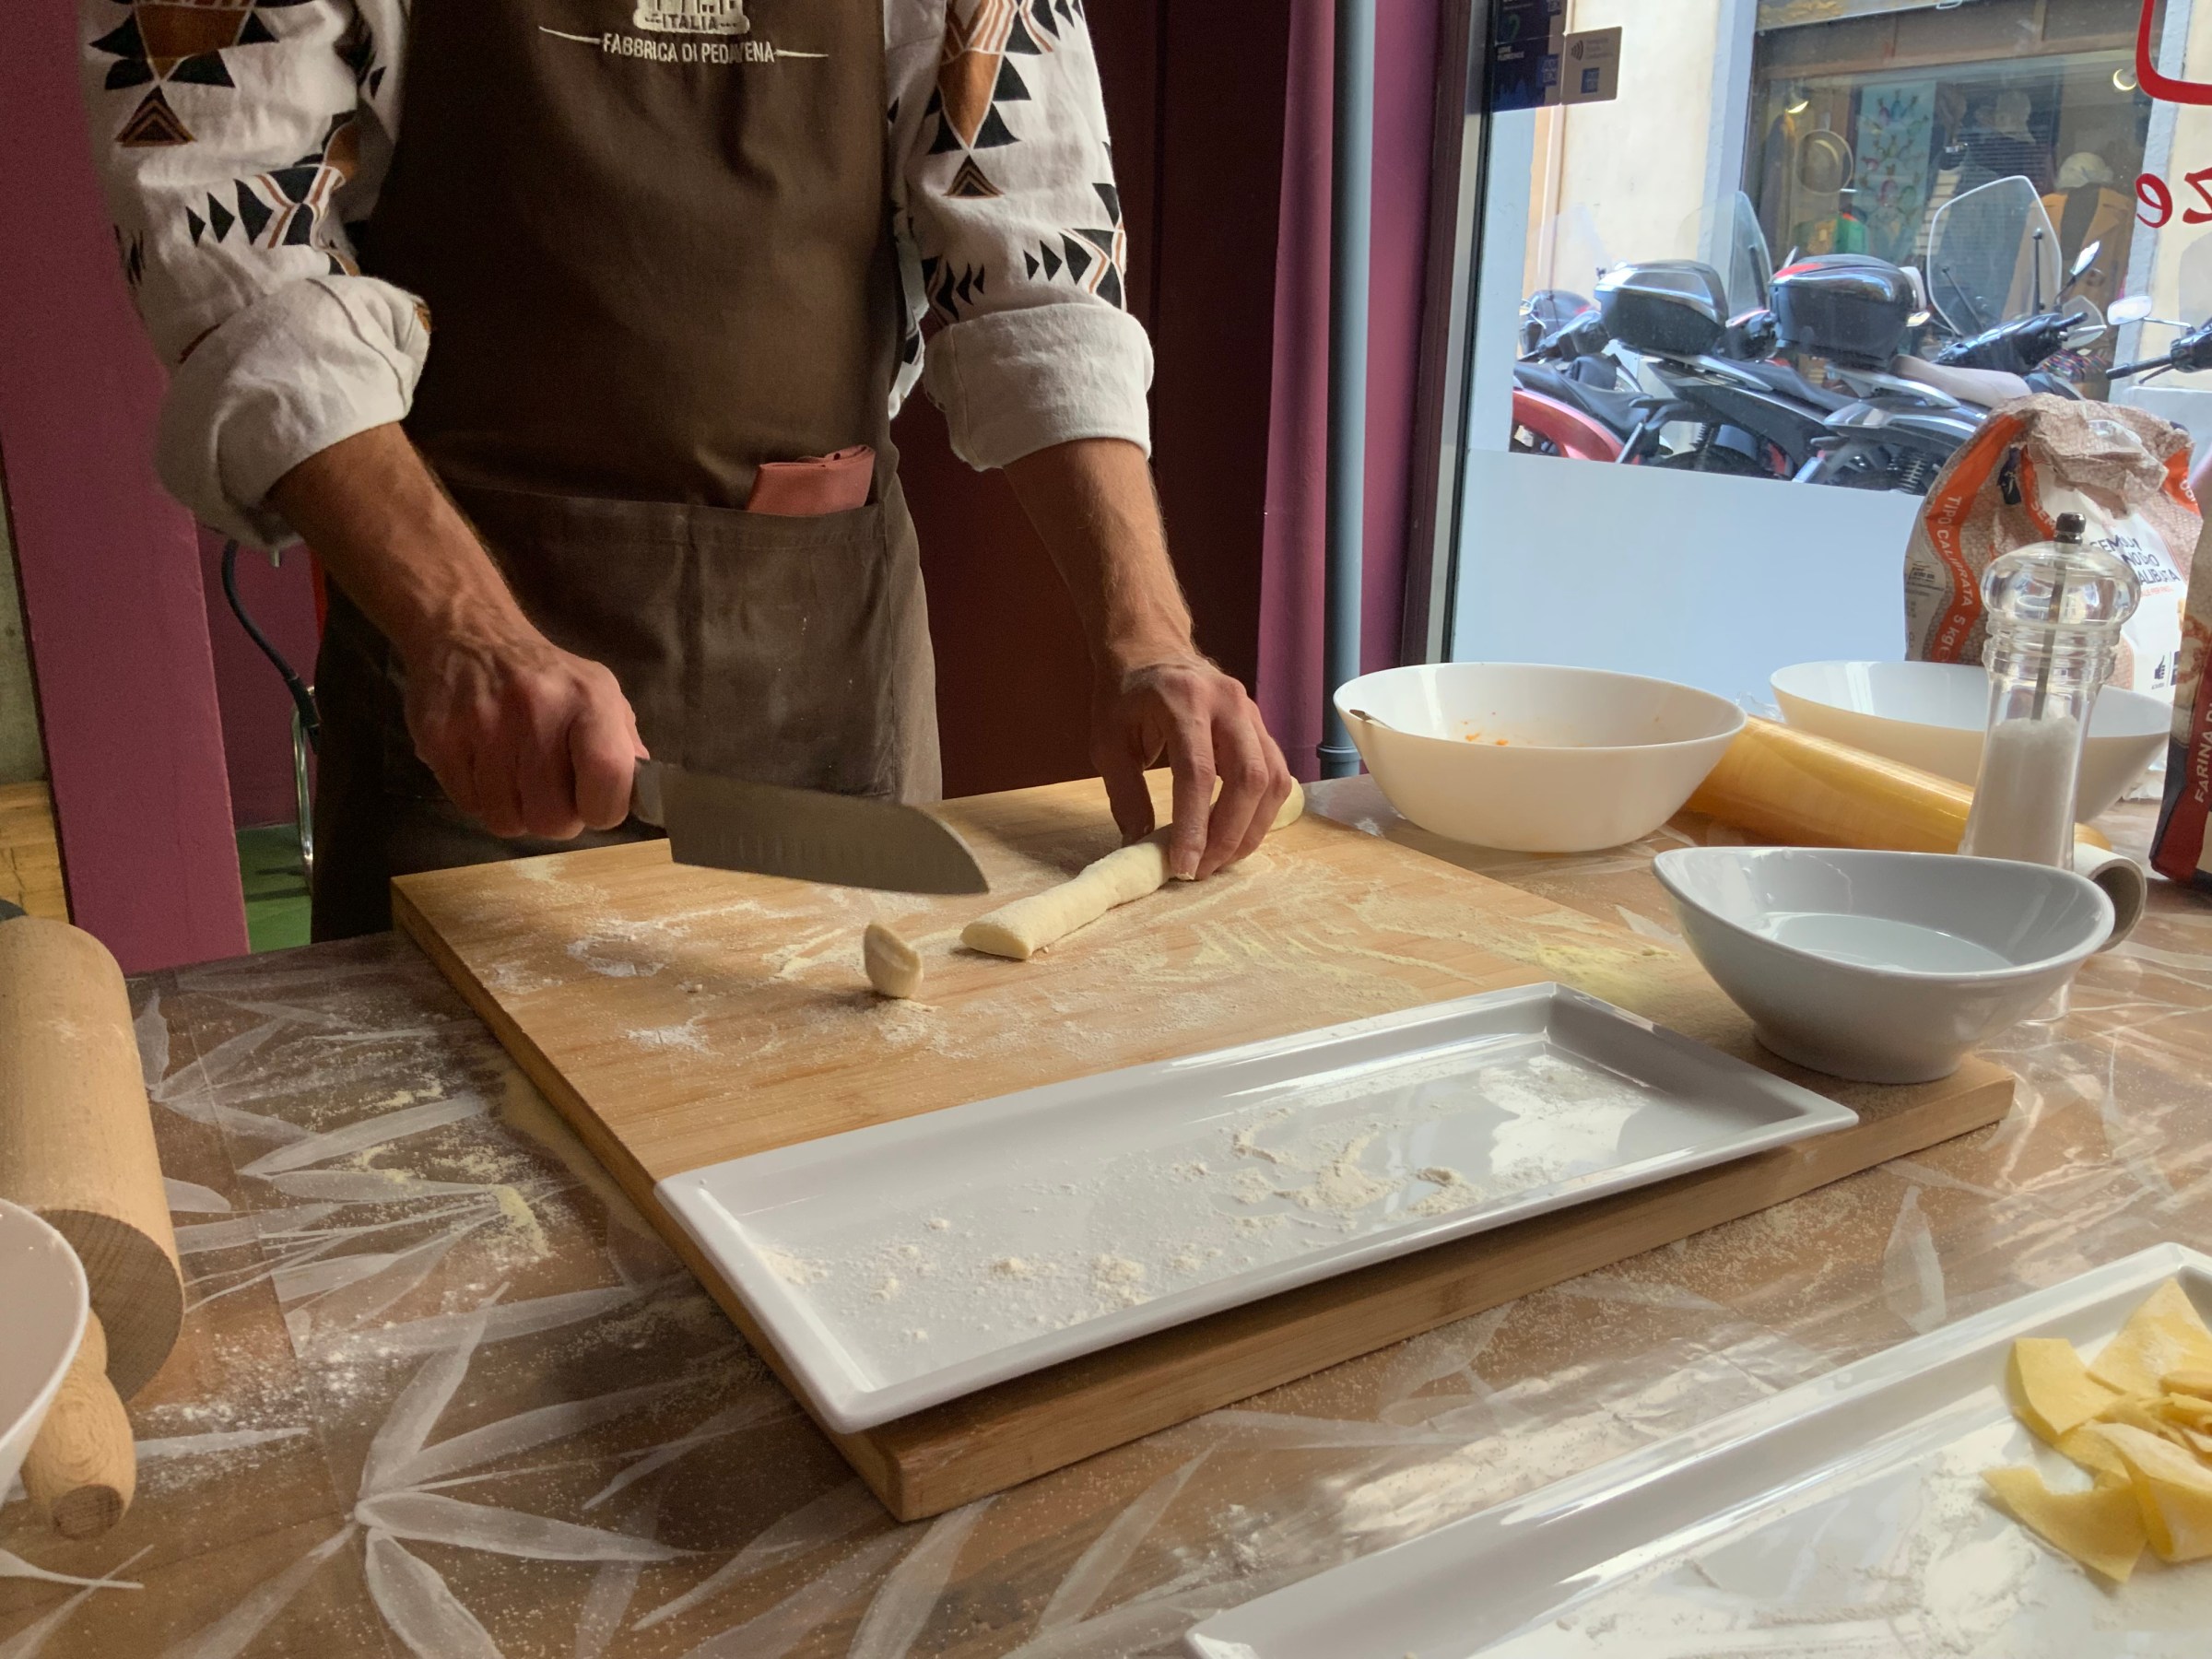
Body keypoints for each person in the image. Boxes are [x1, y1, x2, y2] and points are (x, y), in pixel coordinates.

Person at [79, 0, 1294, 937]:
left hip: (833, 659)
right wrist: (468, 631)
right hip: (473, 689)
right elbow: (233, 250)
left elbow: (1039, 253)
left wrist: (1149, 634)